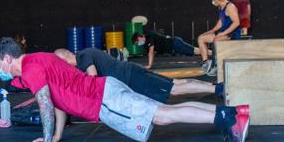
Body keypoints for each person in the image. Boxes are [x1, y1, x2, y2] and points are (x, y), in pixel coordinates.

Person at [0, 37, 249, 142]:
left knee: (164, 116)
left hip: (106, 100)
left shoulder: (31, 69)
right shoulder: (39, 59)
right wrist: (55, 136)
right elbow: (57, 102)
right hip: (107, 90)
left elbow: (45, 105)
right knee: (164, 112)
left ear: (7, 58)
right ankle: (231, 113)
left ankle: (228, 117)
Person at [54, 48, 223, 103]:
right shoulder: (87, 51)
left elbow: (93, 78)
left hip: (131, 76)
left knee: (174, 89)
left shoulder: (82, 58)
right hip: (131, 72)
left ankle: (218, 89)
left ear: (65, 59)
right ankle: (216, 87)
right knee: (175, 83)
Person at [198, 0, 241, 73]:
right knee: (201, 38)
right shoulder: (221, 7)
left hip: (232, 34)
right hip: (224, 33)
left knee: (216, 40)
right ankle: (205, 63)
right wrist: (212, 30)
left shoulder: (230, 7)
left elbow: (236, 23)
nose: (212, 2)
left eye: (213, 0)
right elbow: (221, 21)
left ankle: (216, 65)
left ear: (217, 0)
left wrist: (223, 33)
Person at [132, 31, 200, 69]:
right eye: (137, 43)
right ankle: (209, 53)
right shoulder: (145, 45)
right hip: (174, 48)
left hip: (175, 43)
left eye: (138, 41)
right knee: (194, 51)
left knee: (194, 51)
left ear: (141, 36)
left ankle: (210, 53)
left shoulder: (150, 35)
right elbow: (152, 52)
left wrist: (149, 65)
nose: (138, 43)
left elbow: (151, 52)